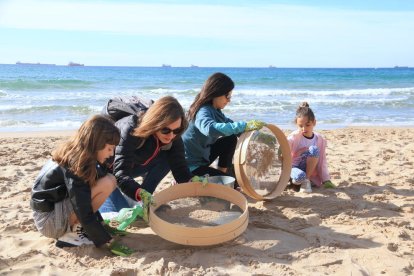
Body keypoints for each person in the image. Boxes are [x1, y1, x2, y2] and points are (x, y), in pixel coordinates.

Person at [30, 115, 133, 256]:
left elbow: (85, 196)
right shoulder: (76, 165)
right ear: (96, 144)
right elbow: (82, 207)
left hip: (55, 210)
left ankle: (78, 228)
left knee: (109, 179)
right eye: (109, 148)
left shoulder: (80, 155)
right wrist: (107, 241)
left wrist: (103, 227)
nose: (112, 153)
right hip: (49, 221)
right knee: (107, 183)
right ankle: (71, 235)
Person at [100, 96, 194, 213]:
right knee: (119, 212)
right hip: (107, 173)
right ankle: (139, 198)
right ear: (155, 123)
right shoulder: (131, 128)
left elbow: (180, 168)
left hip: (134, 165)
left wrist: (192, 181)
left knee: (167, 159)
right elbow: (120, 173)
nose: (171, 135)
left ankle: (144, 201)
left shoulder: (174, 136)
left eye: (177, 130)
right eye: (165, 130)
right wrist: (138, 192)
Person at [182, 72, 265, 184]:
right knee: (232, 183)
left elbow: (235, 129)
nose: (229, 100)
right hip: (190, 167)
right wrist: (244, 125)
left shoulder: (216, 111)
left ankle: (222, 173)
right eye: (227, 96)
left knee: (230, 138)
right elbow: (210, 129)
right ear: (216, 93)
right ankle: (219, 177)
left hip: (202, 159)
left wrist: (262, 138)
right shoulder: (203, 111)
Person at [287, 102, 335, 193]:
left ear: (314, 123)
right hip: (294, 167)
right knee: (300, 176)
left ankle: (306, 181)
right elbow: (285, 151)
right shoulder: (294, 137)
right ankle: (293, 181)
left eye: (307, 125)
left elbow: (322, 160)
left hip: (309, 170)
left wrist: (326, 180)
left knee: (314, 149)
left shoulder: (319, 139)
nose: (304, 129)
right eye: (300, 126)